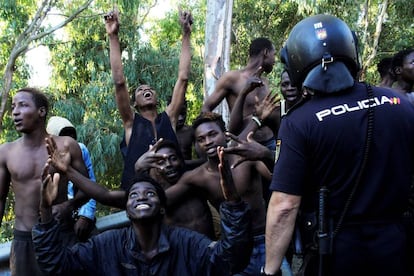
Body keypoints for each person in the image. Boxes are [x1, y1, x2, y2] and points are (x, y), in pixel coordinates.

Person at [263, 14, 414, 276]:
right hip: (397, 244)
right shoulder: (398, 103)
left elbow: (285, 205)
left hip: (337, 252)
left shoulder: (299, 121)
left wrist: (270, 270)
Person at [32, 146, 253, 275]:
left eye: (150, 194)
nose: (142, 197)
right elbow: (57, 265)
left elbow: (231, 260)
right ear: (127, 210)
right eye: (134, 195)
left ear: (161, 208)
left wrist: (233, 202)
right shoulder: (106, 246)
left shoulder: (187, 244)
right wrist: (45, 209)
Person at [165, 112, 292, 276]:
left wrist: (267, 155)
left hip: (266, 240)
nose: (208, 142)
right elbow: (160, 200)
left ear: (224, 135)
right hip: (235, 249)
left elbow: (283, 180)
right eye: (201, 139)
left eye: (212, 134)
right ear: (196, 145)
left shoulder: (247, 159)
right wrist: (141, 168)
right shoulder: (196, 177)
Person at [0, 88, 88, 276]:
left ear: (41, 111)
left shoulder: (66, 146)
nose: (15, 111)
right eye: (13, 107)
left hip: (60, 233)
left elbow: (88, 189)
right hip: (24, 238)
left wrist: (68, 205)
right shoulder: (6, 152)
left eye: (23, 105)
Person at [105, 9, 192, 190]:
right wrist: (113, 36)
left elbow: (183, 78)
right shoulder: (131, 123)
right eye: (141, 90)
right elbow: (119, 82)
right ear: (134, 103)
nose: (146, 90)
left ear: (157, 97)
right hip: (143, 198)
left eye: (150, 89)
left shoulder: (170, 118)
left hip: (176, 194)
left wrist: (186, 35)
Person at [202, 37, 277, 150]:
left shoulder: (265, 83)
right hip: (244, 145)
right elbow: (206, 108)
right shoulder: (232, 78)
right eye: (274, 54)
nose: (275, 60)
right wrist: (220, 134)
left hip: (270, 143)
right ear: (266, 52)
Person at [46, 115, 97, 241]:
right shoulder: (44, 156)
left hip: (79, 211)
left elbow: (90, 184)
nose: (69, 139)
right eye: (64, 135)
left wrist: (85, 216)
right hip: (57, 220)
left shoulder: (80, 149)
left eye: (72, 135)